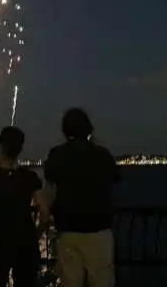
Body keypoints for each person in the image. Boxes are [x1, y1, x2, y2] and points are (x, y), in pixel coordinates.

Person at [43, 108, 119, 287]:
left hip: (68, 229)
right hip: (98, 228)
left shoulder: (57, 154)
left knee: (70, 281)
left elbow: (50, 186)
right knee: (101, 280)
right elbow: (115, 177)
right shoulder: (101, 154)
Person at [0, 126, 49, 287]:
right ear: (20, 148)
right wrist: (34, 236)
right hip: (25, 244)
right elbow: (44, 213)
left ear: (1, 146)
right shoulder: (30, 177)